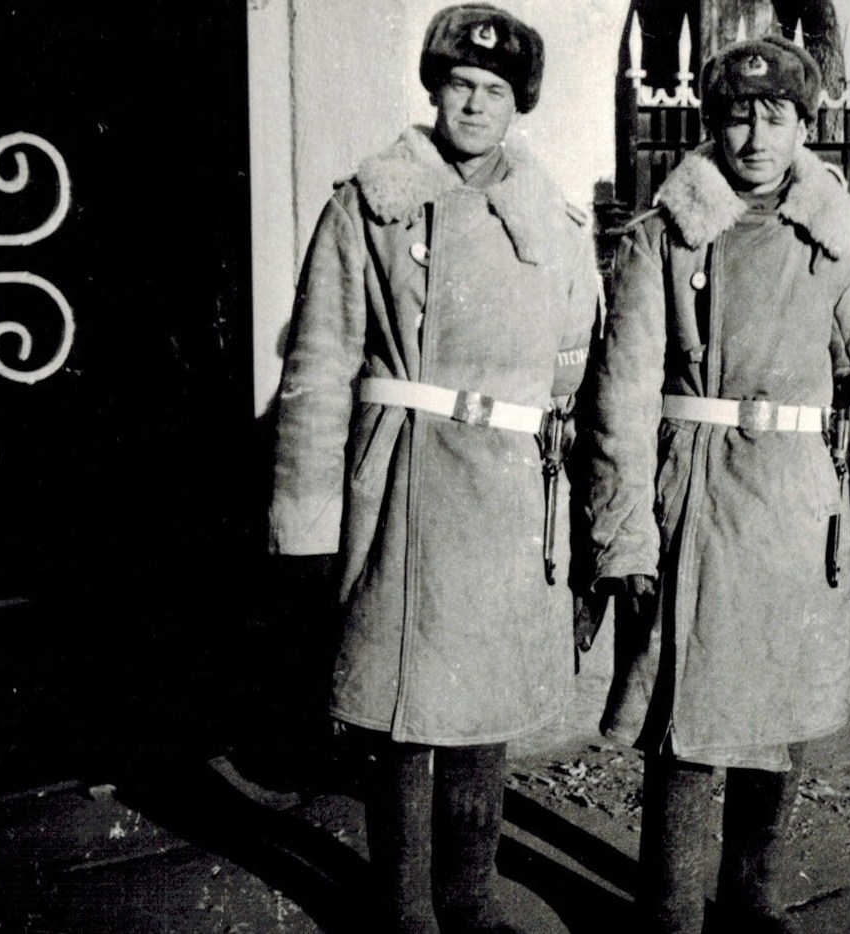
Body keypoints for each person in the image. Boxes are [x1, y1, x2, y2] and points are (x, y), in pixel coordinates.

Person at [268, 5, 601, 931]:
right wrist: (308, 520)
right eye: (460, 85)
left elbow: (574, 359)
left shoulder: (554, 219)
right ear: (434, 90)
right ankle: (405, 908)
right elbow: (319, 367)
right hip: (402, 482)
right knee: (402, 713)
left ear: (518, 105)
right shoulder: (368, 203)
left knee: (483, 709)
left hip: (506, 487)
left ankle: (470, 899)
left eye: (495, 90)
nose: (475, 105)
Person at [585, 36, 850, 933]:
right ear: (713, 123)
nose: (757, 137)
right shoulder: (664, 236)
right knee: (684, 723)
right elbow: (621, 396)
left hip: (796, 507)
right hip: (695, 501)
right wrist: (624, 533)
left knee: (783, 709)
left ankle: (750, 900)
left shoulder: (839, 243)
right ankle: (665, 912)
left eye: (777, 118)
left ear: (805, 126)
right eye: (739, 117)